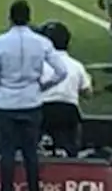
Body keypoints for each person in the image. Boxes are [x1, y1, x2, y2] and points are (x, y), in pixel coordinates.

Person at [0, 0, 67, 191]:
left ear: (9, 19)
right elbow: (62, 71)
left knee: (7, 153)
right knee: (30, 153)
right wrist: (43, 85)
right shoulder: (41, 42)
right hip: (31, 102)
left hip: (6, 104)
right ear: (29, 18)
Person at [38, 22, 91, 156]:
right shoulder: (76, 65)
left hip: (42, 112)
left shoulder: (37, 65)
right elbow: (88, 93)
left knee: (40, 152)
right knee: (69, 151)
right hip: (69, 113)